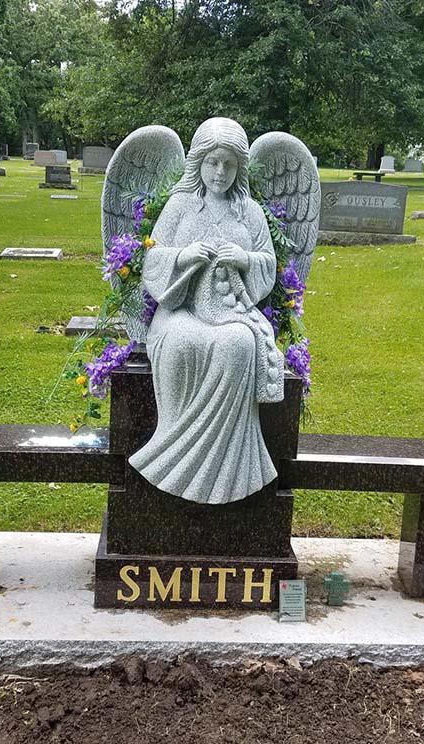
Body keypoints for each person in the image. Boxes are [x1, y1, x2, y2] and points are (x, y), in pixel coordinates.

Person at [128, 118, 284, 505]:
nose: (220, 172)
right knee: (180, 343)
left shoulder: (249, 212)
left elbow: (268, 262)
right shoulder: (180, 205)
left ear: (239, 168)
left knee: (240, 345)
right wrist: (183, 255)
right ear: (198, 162)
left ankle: (229, 467)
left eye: (229, 164)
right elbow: (153, 258)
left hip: (231, 312)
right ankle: (171, 446)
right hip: (180, 310)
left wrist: (245, 258)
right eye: (213, 162)